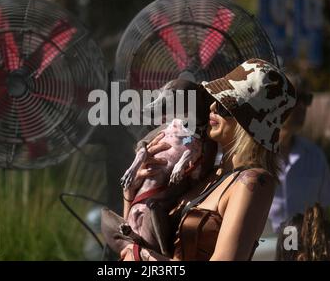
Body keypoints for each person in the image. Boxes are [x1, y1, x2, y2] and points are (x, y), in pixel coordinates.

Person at [120, 58, 297, 261]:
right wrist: (132, 191)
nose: (212, 106)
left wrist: (149, 260)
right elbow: (133, 238)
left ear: (247, 123)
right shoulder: (210, 173)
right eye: (214, 99)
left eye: (224, 105)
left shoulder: (254, 182)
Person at [268, 74, 330, 234]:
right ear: (273, 100)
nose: (301, 106)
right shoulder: (250, 155)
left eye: (306, 99)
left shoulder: (315, 156)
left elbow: (324, 213)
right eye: (294, 98)